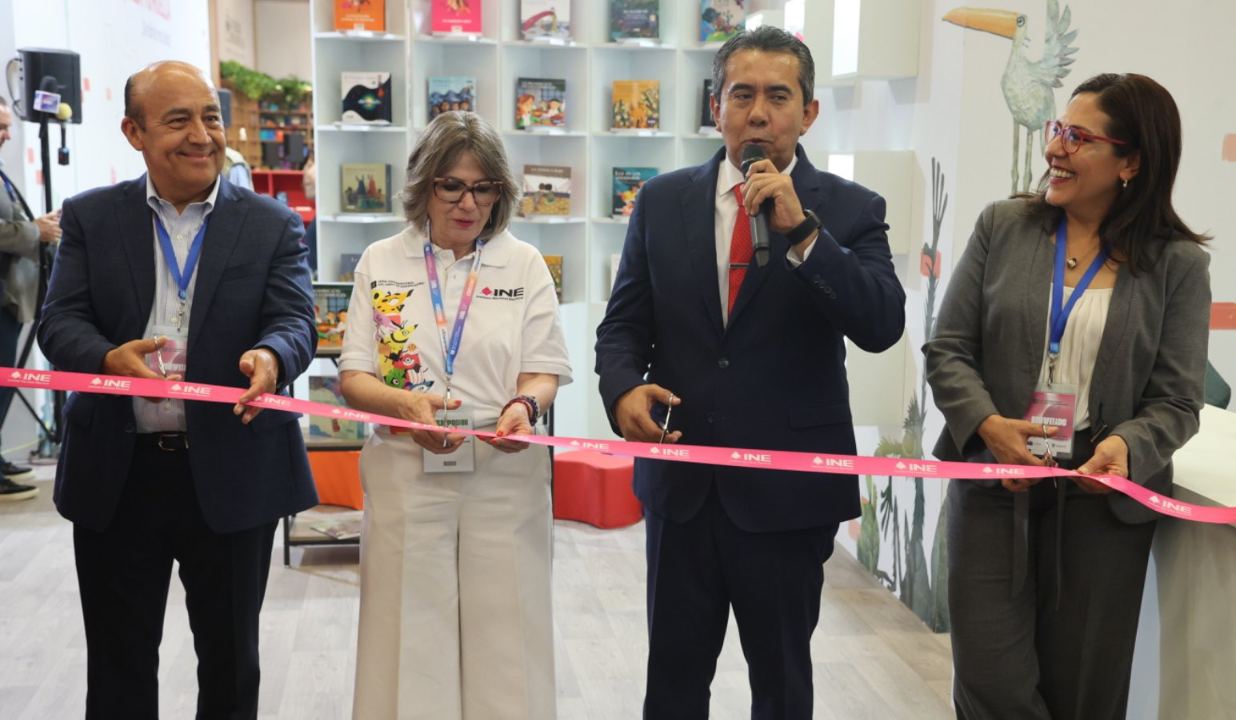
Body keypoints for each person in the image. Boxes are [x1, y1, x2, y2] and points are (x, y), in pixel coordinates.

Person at [595, 26, 906, 718]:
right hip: (682, 486)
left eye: (777, 96)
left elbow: (882, 325)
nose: (758, 113)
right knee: (672, 684)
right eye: (742, 95)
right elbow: (623, 325)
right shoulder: (662, 201)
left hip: (790, 495)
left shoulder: (851, 209)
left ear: (809, 113)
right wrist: (621, 391)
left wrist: (805, 235)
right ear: (715, 106)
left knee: (783, 687)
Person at [924, 73, 1210, 719]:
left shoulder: (1178, 265)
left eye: (1078, 137)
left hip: (1101, 503)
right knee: (990, 683)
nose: (1055, 148)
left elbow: (1177, 399)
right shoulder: (1005, 226)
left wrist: (1124, 446)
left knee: (1085, 692)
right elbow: (948, 350)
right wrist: (990, 425)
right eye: (1058, 129)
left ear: (1132, 162)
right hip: (997, 482)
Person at [37, 61, 317, 718]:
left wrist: (273, 359)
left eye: (210, 117)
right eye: (178, 120)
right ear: (133, 132)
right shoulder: (91, 218)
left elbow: (294, 319)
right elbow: (60, 320)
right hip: (119, 472)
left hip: (232, 469)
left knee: (230, 662)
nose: (202, 135)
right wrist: (108, 355)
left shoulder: (271, 224)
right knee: (119, 664)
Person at [339, 110, 571, 720]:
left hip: (504, 477)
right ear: (425, 186)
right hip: (406, 474)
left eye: (484, 187)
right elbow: (354, 375)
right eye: (452, 185)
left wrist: (524, 405)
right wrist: (406, 408)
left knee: (509, 639)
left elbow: (544, 368)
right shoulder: (380, 261)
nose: (469, 203)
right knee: (407, 638)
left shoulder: (524, 265)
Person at [0, 95, 61, 500]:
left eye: (7, 127)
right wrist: (33, 232)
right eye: (0, 127)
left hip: (10, 299)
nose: (6, 135)